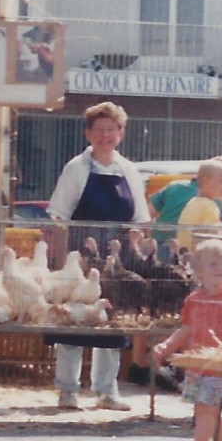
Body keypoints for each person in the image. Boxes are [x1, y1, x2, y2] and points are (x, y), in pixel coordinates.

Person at [46, 101, 151, 411]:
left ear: (120, 134)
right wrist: (67, 260)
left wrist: (133, 248)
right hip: (80, 256)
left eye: (112, 129)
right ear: (88, 133)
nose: (106, 135)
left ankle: (107, 391)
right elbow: (58, 216)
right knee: (74, 320)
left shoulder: (129, 169)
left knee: (111, 324)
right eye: (99, 129)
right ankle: (67, 391)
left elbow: (139, 219)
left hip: (116, 261)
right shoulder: (76, 168)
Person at [151, 239, 222, 441]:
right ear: (198, 272)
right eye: (213, 264)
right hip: (196, 365)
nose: (220, 269)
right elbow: (186, 329)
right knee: (208, 409)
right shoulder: (193, 300)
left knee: (207, 409)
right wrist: (166, 346)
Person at [154, 157, 222, 250]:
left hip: (183, 250)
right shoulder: (210, 206)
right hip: (198, 252)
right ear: (206, 181)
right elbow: (212, 235)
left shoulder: (193, 202)